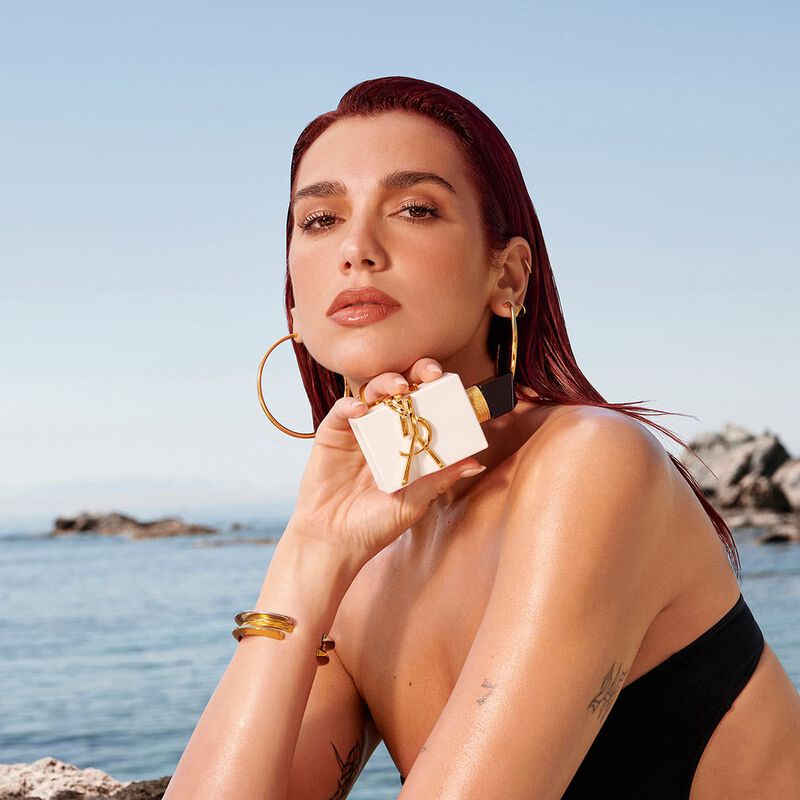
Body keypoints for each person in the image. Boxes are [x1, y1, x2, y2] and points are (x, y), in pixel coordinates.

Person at [163, 76, 800, 799]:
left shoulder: (589, 463)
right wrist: (309, 551)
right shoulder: (365, 566)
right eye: (319, 220)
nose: (357, 248)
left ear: (509, 277)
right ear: (295, 307)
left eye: (414, 209)